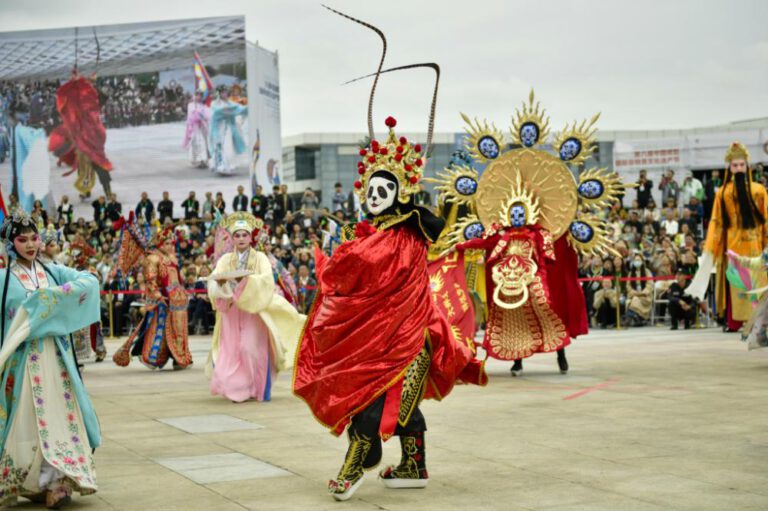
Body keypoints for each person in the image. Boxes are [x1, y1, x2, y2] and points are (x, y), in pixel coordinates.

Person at [294, 114, 485, 501]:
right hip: (378, 335)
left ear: (400, 194)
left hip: (407, 336)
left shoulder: (405, 233)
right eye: (371, 188)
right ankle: (414, 465)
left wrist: (338, 257)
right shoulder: (370, 232)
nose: (376, 195)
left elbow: (369, 271)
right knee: (392, 403)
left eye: (385, 189)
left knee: (372, 400)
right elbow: (356, 281)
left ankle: (358, 461)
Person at [0, 211, 102, 508]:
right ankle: (33, 481)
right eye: (23, 239)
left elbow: (89, 282)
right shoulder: (4, 278)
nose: (31, 244)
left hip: (55, 358)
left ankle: (57, 479)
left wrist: (51, 300)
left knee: (60, 416)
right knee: (28, 420)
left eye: (34, 238)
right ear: (10, 243)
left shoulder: (54, 271)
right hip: (21, 362)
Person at [206, 213, 305, 403]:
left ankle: (255, 385)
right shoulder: (226, 259)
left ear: (250, 237)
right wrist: (221, 284)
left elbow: (266, 280)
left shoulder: (260, 258)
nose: (241, 239)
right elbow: (215, 278)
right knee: (231, 350)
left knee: (250, 348)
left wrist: (246, 281)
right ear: (232, 238)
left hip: (253, 309)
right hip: (232, 311)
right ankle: (238, 388)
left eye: (244, 235)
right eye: (237, 235)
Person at [689, 142, 768, 332]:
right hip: (732, 247)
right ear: (729, 168)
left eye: (741, 165)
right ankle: (735, 322)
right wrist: (713, 247)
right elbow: (716, 222)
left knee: (758, 283)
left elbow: (766, 218)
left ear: (747, 166)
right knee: (736, 284)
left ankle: (759, 321)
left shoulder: (759, 190)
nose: (739, 169)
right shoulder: (722, 193)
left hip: (756, 246)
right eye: (735, 165)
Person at [112, 225, 192, 370]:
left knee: (179, 330)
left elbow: (178, 279)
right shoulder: (153, 258)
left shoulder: (171, 258)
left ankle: (179, 357)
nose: (170, 246)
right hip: (163, 300)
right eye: (166, 243)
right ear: (160, 244)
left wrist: (183, 291)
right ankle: (153, 357)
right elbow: (150, 280)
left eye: (171, 243)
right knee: (159, 329)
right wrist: (158, 295)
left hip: (178, 300)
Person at [208, 88, 248, 175]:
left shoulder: (231, 103)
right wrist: (231, 110)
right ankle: (220, 166)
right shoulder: (215, 103)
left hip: (229, 128)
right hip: (219, 128)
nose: (224, 94)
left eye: (225, 92)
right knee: (219, 147)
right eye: (222, 92)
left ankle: (226, 167)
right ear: (219, 94)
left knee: (228, 147)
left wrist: (248, 108)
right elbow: (219, 111)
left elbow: (240, 109)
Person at [182, 91, 210, 168]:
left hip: (202, 127)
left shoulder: (203, 106)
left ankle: (203, 160)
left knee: (203, 142)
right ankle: (197, 159)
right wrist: (198, 114)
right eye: (197, 95)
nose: (199, 97)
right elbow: (191, 115)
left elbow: (207, 115)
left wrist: (202, 115)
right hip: (194, 127)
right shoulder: (190, 105)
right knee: (195, 143)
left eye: (200, 95)